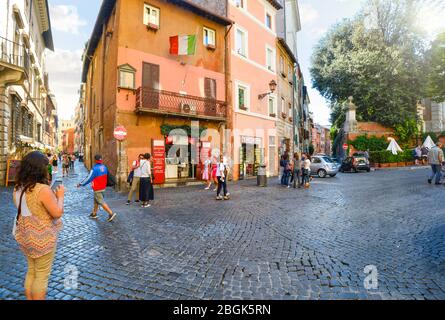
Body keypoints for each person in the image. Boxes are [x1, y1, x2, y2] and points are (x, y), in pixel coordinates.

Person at [13, 151, 64, 300]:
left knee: (31, 271)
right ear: (39, 169)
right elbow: (57, 213)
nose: (47, 170)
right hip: (42, 238)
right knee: (42, 274)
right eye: (46, 167)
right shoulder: (42, 189)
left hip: (26, 237)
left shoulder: (18, 188)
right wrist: (60, 196)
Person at [77, 154, 117, 222]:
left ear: (95, 160)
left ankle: (111, 213)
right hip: (103, 187)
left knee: (101, 201)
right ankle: (94, 214)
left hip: (97, 187)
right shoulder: (104, 167)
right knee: (96, 201)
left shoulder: (94, 168)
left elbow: (89, 178)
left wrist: (81, 184)